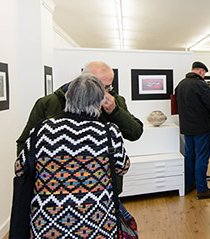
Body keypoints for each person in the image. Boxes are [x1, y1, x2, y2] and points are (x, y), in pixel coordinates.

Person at [15, 74, 130, 239]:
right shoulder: (108, 132)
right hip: (94, 226)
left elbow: (20, 167)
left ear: (68, 99)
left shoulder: (41, 131)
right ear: (99, 102)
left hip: (50, 227)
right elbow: (122, 166)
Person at [16, 61, 143, 194]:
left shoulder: (114, 101)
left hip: (104, 190)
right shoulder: (49, 103)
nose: (102, 93)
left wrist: (115, 111)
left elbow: (135, 133)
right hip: (54, 190)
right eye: (97, 86)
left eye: (107, 87)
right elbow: (25, 145)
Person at [175, 61, 210, 199]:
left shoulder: (180, 85)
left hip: (187, 128)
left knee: (190, 156)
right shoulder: (201, 85)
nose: (204, 76)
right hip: (201, 127)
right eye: (204, 73)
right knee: (202, 157)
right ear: (200, 71)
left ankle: (189, 184)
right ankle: (202, 189)